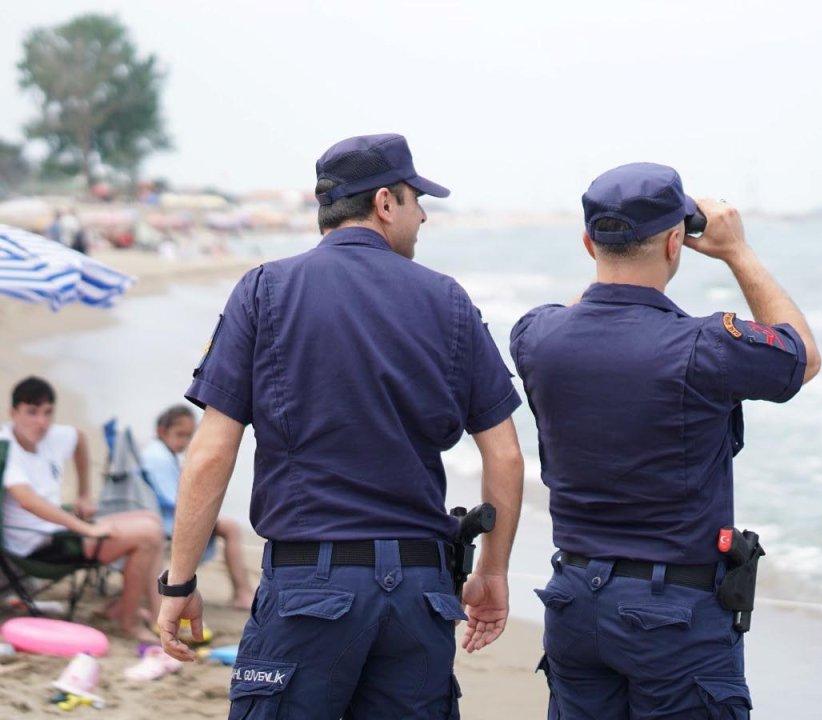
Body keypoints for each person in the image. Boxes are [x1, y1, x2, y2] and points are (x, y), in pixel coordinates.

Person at [156, 134, 525, 719]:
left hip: (309, 588)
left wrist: (179, 582)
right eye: (416, 201)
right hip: (419, 592)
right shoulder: (447, 300)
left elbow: (211, 452)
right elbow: (504, 455)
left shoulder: (265, 289)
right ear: (385, 202)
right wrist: (494, 572)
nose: (423, 216)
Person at [510, 162, 821, 719]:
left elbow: (585, 317)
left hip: (573, 598)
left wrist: (612, 262)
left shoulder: (536, 335)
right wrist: (737, 252)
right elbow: (802, 356)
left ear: (588, 243)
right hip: (673, 614)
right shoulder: (706, 345)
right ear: (677, 242)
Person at [1, 376, 166, 641]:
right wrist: (85, 528)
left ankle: (156, 615)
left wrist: (84, 494)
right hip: (38, 545)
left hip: (59, 527)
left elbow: (78, 438)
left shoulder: (50, 435)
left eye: (48, 413)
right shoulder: (6, 447)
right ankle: (129, 621)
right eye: (31, 412)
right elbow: (27, 501)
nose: (41, 422)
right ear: (13, 412)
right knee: (147, 534)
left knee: (152, 520)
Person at [139, 404, 254, 609]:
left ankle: (242, 592)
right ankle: (243, 592)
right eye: (180, 435)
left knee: (228, 526)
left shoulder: (162, 452)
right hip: (165, 520)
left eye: (189, 436)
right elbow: (174, 499)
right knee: (230, 528)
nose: (185, 442)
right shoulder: (158, 457)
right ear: (162, 431)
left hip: (164, 515)